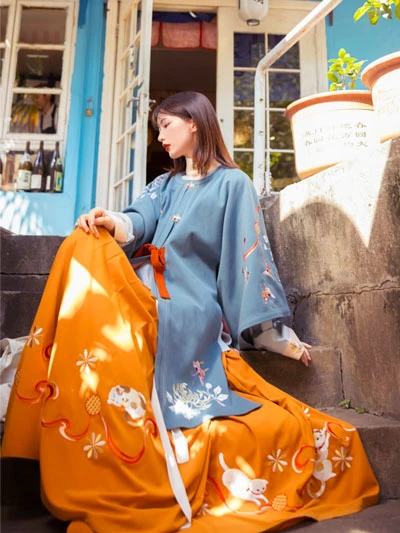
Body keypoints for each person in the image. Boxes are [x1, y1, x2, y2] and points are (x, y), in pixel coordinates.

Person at [2, 92, 379, 533]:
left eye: (166, 125)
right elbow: (137, 221)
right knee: (81, 243)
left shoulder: (233, 185)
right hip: (142, 289)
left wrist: (274, 336)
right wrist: (108, 220)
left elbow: (247, 256)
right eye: (158, 128)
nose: (160, 137)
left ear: (194, 122)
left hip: (190, 304)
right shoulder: (163, 185)